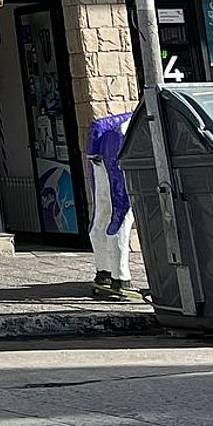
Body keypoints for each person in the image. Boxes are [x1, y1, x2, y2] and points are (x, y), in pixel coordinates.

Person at [86, 110, 139, 300]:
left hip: (99, 149)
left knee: (102, 212)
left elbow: (97, 126)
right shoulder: (129, 124)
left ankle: (104, 272)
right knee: (122, 213)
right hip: (118, 148)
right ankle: (120, 278)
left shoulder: (110, 125)